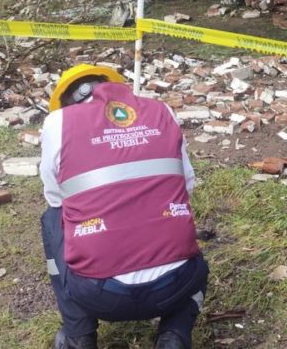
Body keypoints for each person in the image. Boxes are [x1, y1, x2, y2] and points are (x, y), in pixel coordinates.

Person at [40, 64, 208, 349]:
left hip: (97, 293)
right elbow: (186, 184)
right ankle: (174, 336)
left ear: (65, 103)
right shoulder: (161, 110)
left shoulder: (58, 122)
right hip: (178, 283)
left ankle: (78, 335)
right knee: (197, 265)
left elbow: (55, 197)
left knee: (53, 218)